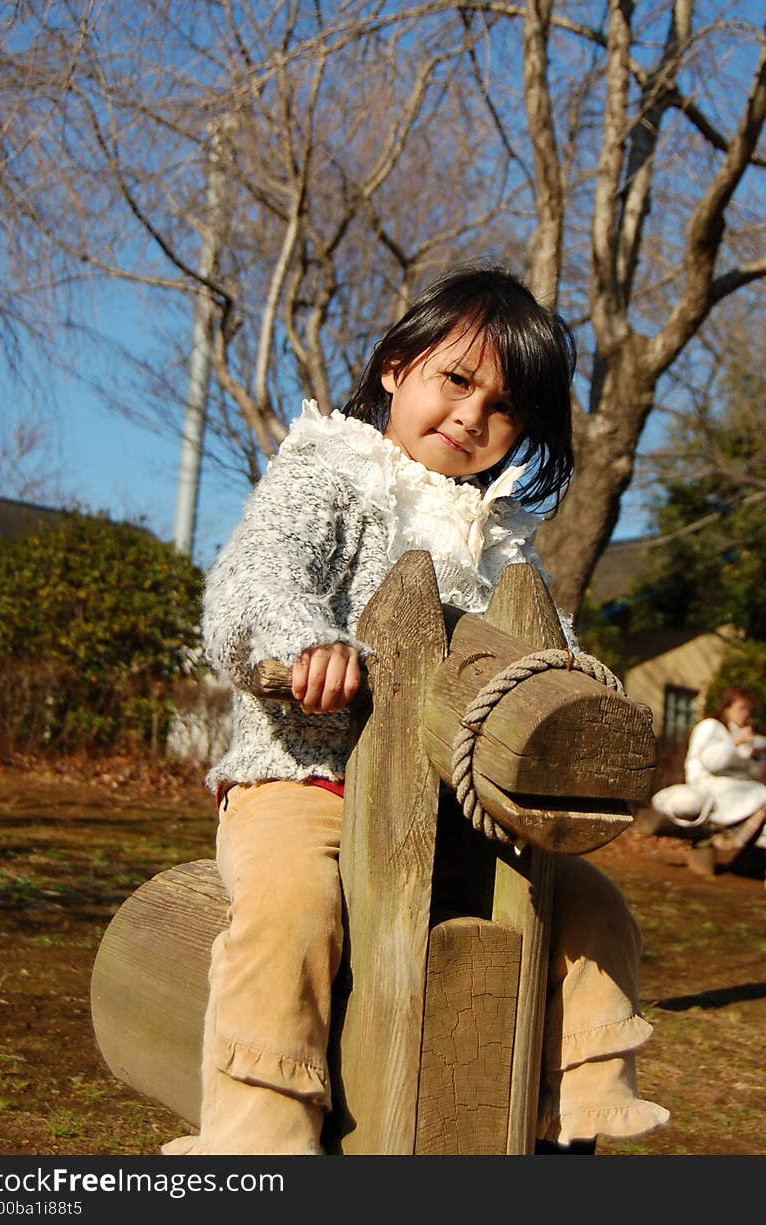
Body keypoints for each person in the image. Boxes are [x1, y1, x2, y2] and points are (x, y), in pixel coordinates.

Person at [161, 264, 669, 1156]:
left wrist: (584, 709)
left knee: (592, 909)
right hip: (308, 780)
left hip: (454, 811)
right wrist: (300, 641)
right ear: (398, 366)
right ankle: (258, 1136)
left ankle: (568, 1113)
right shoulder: (331, 471)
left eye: (503, 407)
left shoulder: (499, 535)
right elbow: (258, 570)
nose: (473, 417)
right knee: (291, 909)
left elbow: (543, 651)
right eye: (457, 380)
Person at [681, 687, 766, 895]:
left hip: (733, 788)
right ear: (726, 708)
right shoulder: (711, 727)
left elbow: (750, 772)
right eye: (741, 708)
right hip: (709, 786)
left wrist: (755, 754)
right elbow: (712, 762)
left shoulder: (734, 731)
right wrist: (736, 742)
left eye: (749, 710)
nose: (746, 714)